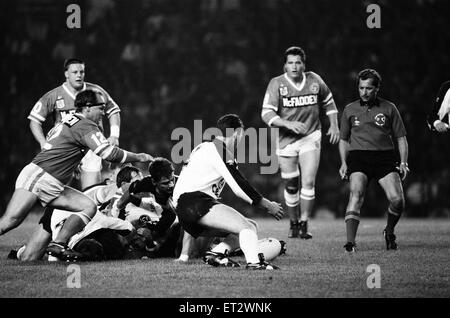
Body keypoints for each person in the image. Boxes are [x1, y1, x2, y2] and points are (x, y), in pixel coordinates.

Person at [0, 89, 153, 261]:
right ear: (87, 108)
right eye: (100, 107)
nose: (103, 112)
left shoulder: (68, 119)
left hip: (52, 181)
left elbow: (57, 143)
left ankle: (58, 244)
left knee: (88, 206)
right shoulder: (85, 124)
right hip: (40, 176)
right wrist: (138, 157)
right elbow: (108, 153)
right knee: (10, 221)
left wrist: (71, 164)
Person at [172, 114, 284, 270]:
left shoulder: (204, 147)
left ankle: (216, 253)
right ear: (238, 132)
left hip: (186, 208)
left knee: (250, 226)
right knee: (247, 228)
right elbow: (239, 185)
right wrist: (266, 204)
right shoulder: (219, 150)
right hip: (195, 202)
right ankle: (254, 263)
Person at [261, 46, 339, 239]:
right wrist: (288, 124)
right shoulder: (277, 83)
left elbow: (329, 102)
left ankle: (304, 223)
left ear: (303, 64)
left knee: (309, 181)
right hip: (286, 141)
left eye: (298, 62)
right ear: (285, 66)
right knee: (291, 185)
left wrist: (334, 125)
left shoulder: (314, 80)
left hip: (310, 136)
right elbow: (266, 113)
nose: (294, 66)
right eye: (290, 63)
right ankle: (293, 222)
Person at [339, 69, 409, 252]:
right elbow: (343, 140)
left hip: (384, 158)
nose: (364, 92)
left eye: (369, 88)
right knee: (356, 194)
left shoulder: (389, 108)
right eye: (361, 88)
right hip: (359, 157)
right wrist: (344, 163)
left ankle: (389, 231)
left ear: (377, 89)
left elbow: (401, 137)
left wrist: (403, 162)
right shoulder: (349, 109)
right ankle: (350, 243)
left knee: (397, 201)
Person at [8, 165, 143, 261]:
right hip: (63, 211)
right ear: (123, 183)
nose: (141, 184)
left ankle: (41, 251)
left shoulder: (136, 199)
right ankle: (41, 251)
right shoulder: (110, 190)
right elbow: (110, 212)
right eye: (138, 181)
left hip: (81, 222)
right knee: (30, 257)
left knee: (29, 257)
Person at [28, 58, 121, 190]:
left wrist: (114, 135)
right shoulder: (53, 95)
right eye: (75, 72)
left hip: (92, 145)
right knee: (57, 193)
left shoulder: (96, 91)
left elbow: (113, 111)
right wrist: (43, 143)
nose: (79, 75)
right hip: (65, 148)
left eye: (82, 72)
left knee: (92, 191)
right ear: (66, 74)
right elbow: (34, 121)